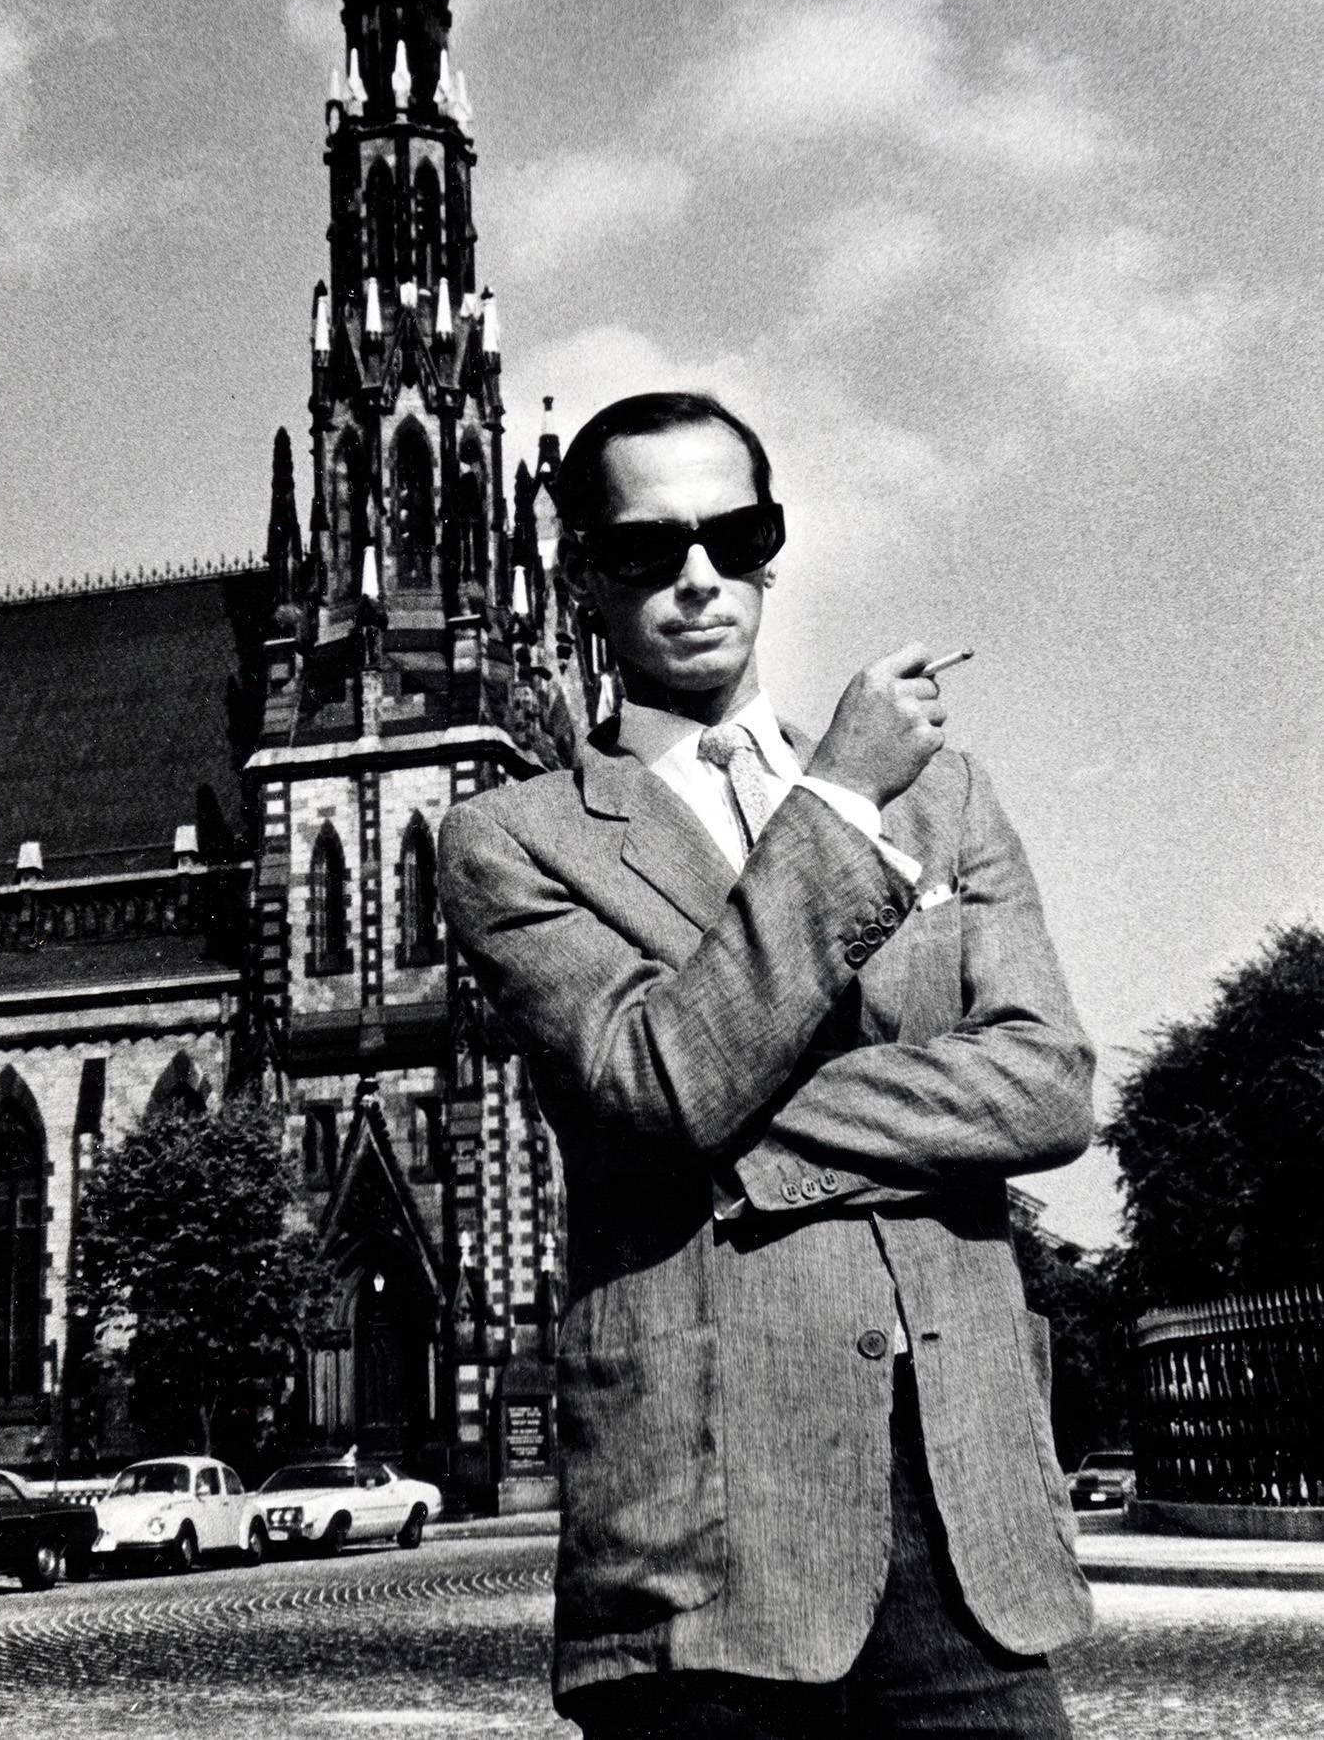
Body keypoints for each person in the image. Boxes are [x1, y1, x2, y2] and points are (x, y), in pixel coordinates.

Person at [438, 390, 1095, 1738]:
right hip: (705, 1546)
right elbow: (659, 1088)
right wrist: (838, 801)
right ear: (580, 573)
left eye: (732, 536)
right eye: (645, 548)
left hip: (965, 1526)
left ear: (769, 549)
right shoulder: (512, 837)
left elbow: (1046, 1087)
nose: (695, 577)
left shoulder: (947, 792)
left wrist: (737, 1122)